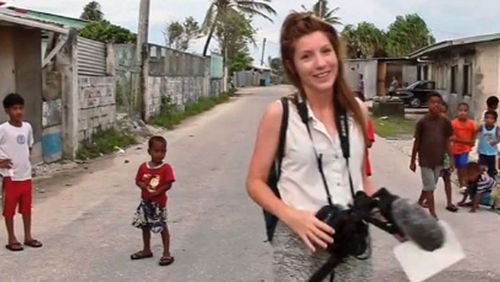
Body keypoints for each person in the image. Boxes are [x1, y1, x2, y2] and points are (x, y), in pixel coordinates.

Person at [246, 12, 374, 281]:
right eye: (306, 56)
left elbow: (360, 177)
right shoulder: (279, 114)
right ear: (293, 66)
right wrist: (292, 217)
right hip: (299, 244)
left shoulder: (357, 111)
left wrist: (387, 213)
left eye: (326, 51)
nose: (320, 63)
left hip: (352, 240)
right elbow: (255, 182)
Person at [0, 93, 42, 251]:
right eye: (14, 108)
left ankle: (28, 236)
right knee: (9, 209)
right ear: (7, 111)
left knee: (26, 207)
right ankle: (11, 238)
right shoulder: (3, 129)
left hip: (26, 175)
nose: (18, 112)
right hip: (10, 177)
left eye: (20, 108)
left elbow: (28, 147)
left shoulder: (27, 127)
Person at [131, 136, 175, 266]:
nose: (159, 154)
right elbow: (138, 180)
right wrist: (141, 185)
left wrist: (158, 191)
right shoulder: (143, 167)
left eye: (163, 151)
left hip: (158, 204)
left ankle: (166, 252)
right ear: (149, 151)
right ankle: (146, 249)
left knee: (162, 227)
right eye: (156, 151)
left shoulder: (166, 168)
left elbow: (168, 184)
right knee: (144, 226)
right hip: (145, 203)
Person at [410, 92, 453, 219]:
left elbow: (447, 141)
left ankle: (419, 203)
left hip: (439, 159)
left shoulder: (445, 122)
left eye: (438, 103)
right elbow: (417, 142)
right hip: (425, 160)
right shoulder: (422, 122)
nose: (435, 105)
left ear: (441, 105)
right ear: (428, 104)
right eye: (432, 102)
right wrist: (412, 160)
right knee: (429, 187)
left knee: (431, 185)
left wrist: (451, 158)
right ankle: (432, 214)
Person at [450, 103, 477, 193]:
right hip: (455, 149)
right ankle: (461, 183)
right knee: (458, 167)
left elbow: (474, 132)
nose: (463, 113)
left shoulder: (471, 123)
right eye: (460, 110)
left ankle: (465, 184)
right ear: (457, 112)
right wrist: (467, 142)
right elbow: (453, 138)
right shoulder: (453, 123)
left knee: (463, 165)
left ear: (468, 112)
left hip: (465, 149)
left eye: (465, 111)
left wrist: (472, 141)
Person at [441, 102, 458, 212]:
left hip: (445, 156)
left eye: (444, 112)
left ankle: (449, 202)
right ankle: (424, 200)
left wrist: (451, 159)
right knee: (431, 182)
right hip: (433, 157)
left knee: (447, 179)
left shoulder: (447, 125)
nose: (442, 114)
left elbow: (451, 139)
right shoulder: (430, 124)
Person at [477, 110, 499, 178]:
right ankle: (481, 181)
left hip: (492, 153)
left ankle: (491, 182)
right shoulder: (481, 127)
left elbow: (499, 137)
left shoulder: (496, 129)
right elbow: (475, 131)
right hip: (482, 152)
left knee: (491, 169)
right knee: (481, 168)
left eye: (491, 118)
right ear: (484, 119)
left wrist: (495, 141)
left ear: (495, 120)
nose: (489, 120)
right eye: (487, 118)